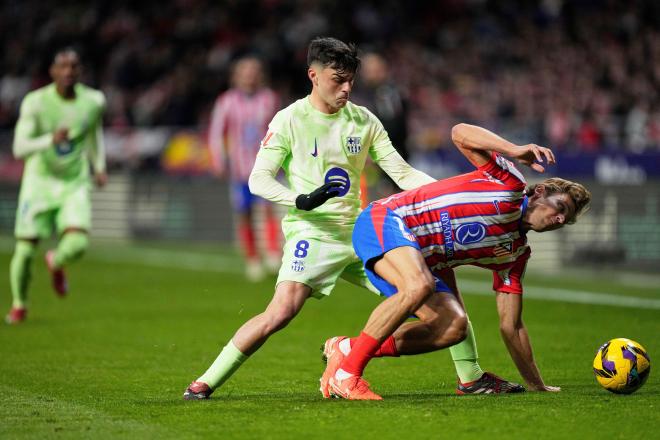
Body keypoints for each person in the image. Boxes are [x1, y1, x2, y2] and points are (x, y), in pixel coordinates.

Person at [183, 38, 518, 400]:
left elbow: (403, 174)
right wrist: (301, 199)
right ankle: (205, 381)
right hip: (313, 234)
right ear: (313, 75)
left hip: (362, 235)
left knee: (447, 311)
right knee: (280, 312)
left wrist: (453, 195)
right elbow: (258, 179)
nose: (345, 89)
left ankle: (469, 377)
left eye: (350, 81)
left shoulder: (363, 120)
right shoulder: (290, 119)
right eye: (337, 79)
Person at [320, 123, 591, 400]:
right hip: (388, 219)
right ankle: (347, 375)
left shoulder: (514, 254)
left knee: (452, 327)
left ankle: (347, 349)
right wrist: (514, 150)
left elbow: (512, 326)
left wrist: (537, 384)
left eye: (565, 220)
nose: (559, 220)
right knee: (419, 285)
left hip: (418, 260)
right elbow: (459, 132)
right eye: (561, 208)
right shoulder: (510, 183)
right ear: (541, 191)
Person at [5, 48, 107, 324]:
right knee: (25, 251)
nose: (68, 72)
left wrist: (99, 166)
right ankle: (19, 305)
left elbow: (94, 133)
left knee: (78, 244)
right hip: (40, 181)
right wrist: (49, 139)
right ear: (52, 71)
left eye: (73, 66)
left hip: (74, 180)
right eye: (62, 66)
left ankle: (57, 261)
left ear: (80, 71)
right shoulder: (36, 102)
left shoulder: (94, 101)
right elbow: (19, 147)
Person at [208, 56, 281, 281]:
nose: (249, 75)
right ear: (236, 76)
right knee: (245, 214)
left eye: (254, 71)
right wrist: (219, 160)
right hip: (239, 171)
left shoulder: (269, 99)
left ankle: (272, 252)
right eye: (245, 71)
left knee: (268, 209)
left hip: (265, 166)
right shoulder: (226, 101)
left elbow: (281, 129)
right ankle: (252, 259)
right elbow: (216, 133)